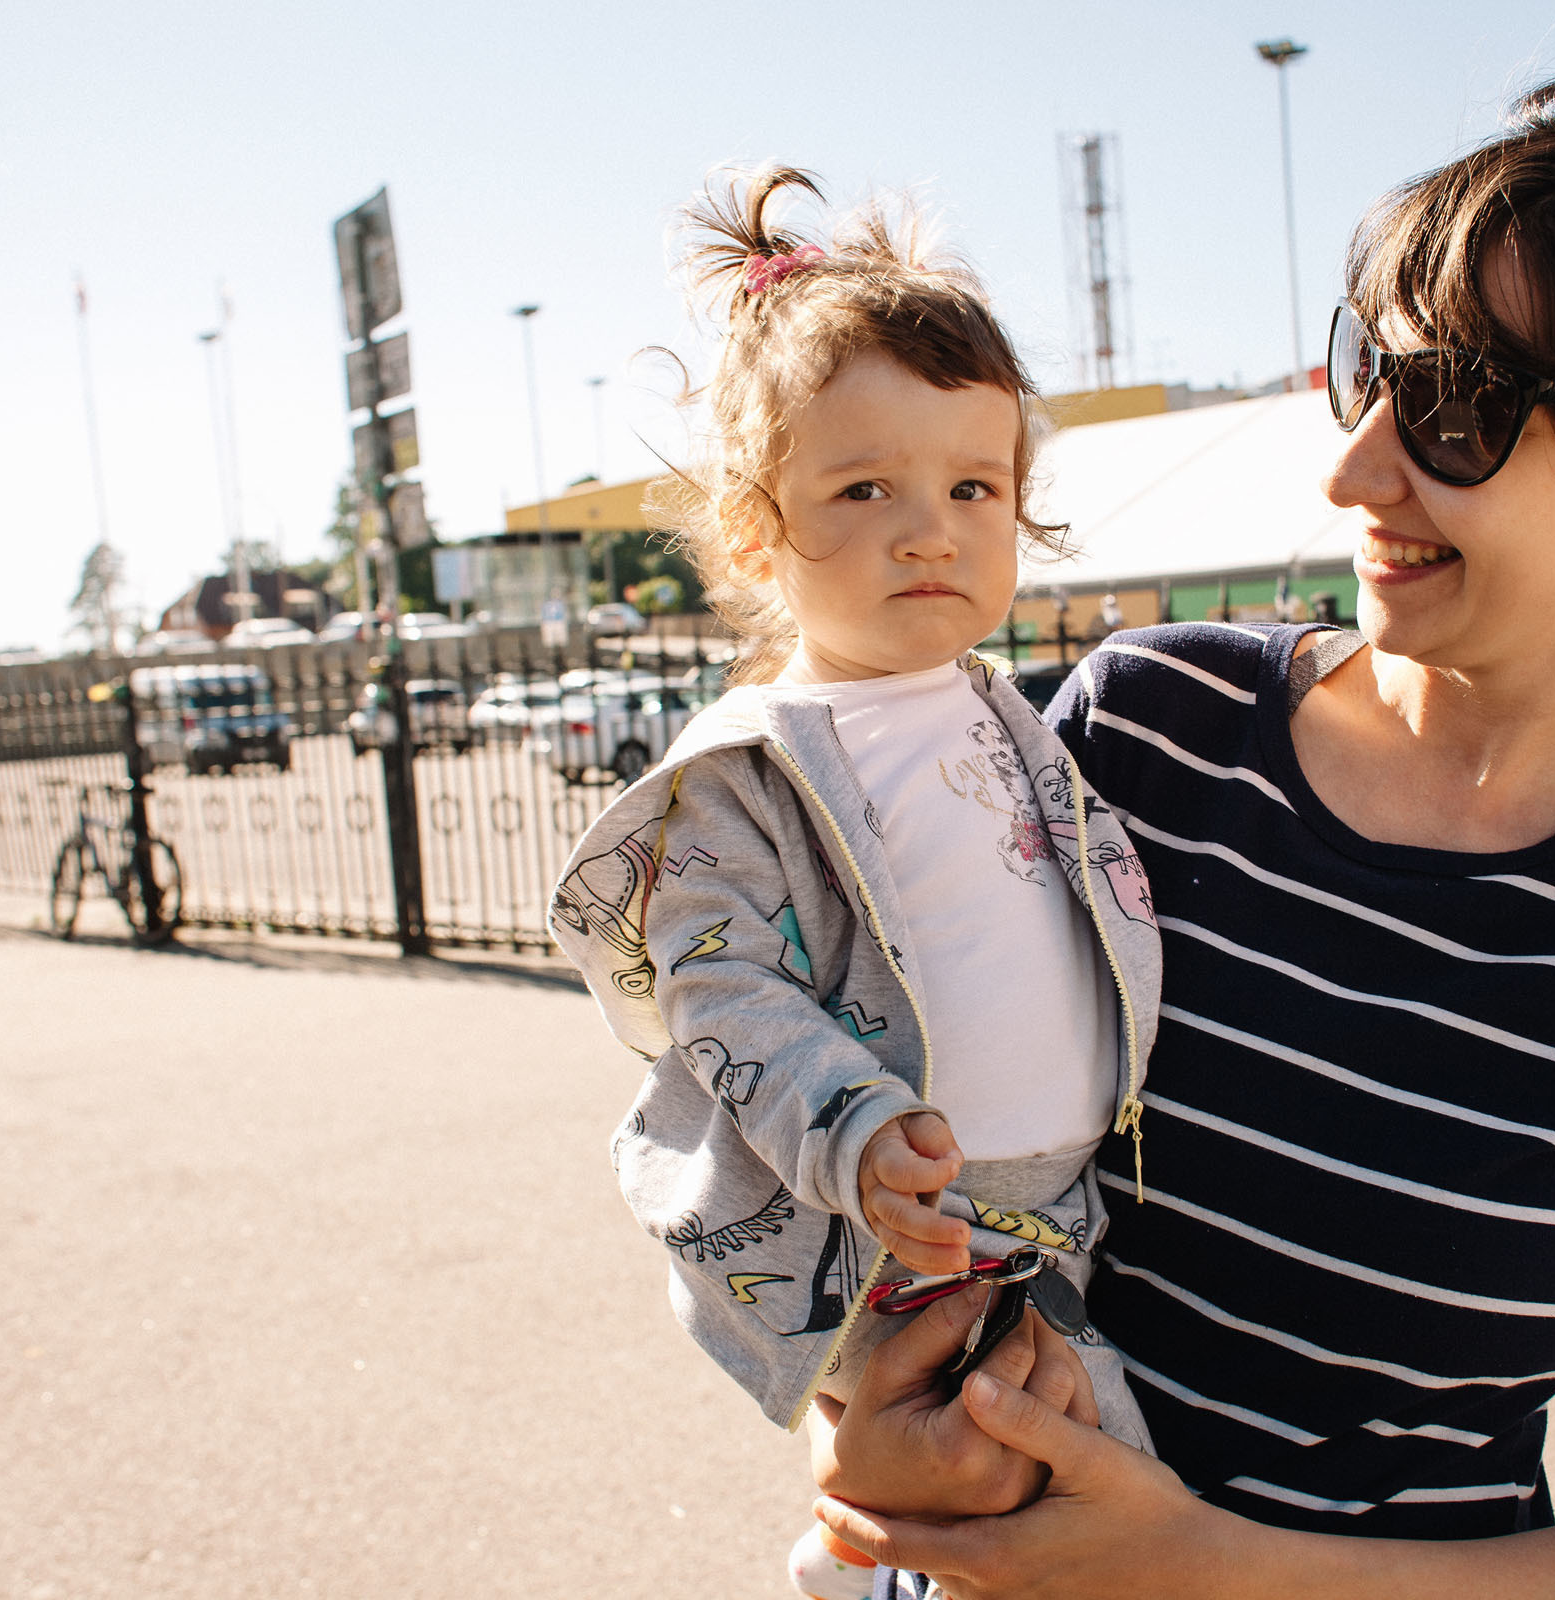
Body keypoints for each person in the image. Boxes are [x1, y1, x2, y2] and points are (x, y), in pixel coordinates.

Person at [810, 69, 1555, 1600]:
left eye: (1461, 410)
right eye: (1369, 369)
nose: (1355, 468)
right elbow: (854, 1125)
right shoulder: (1148, 731)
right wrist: (846, 1421)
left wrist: (1209, 1568)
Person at [546, 167, 1161, 1600]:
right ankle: (855, 1571)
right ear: (758, 534)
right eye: (864, 487)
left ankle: (857, 1567)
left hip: (1054, 1215)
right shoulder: (754, 772)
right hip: (890, 1223)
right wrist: (856, 1132)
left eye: (972, 487)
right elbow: (722, 990)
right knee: (1009, 1480)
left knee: (1076, 1478)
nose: (928, 528)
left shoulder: (1010, 717)